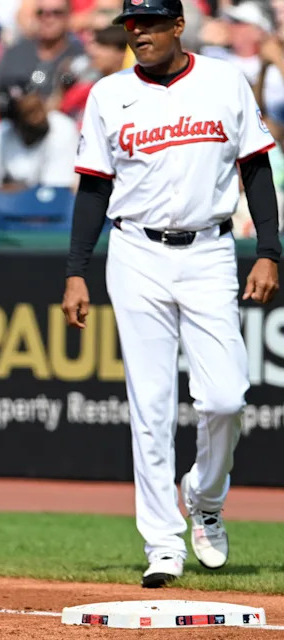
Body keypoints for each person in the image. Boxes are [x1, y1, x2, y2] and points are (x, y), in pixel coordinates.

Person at [61, 0, 281, 589]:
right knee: (151, 405)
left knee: (226, 397)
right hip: (135, 252)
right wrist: (76, 269)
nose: (139, 34)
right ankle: (162, 543)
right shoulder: (109, 93)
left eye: (150, 24)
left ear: (178, 26)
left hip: (210, 250)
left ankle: (204, 496)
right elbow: (93, 189)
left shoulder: (223, 80)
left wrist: (269, 250)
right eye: (130, 26)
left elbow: (256, 168)